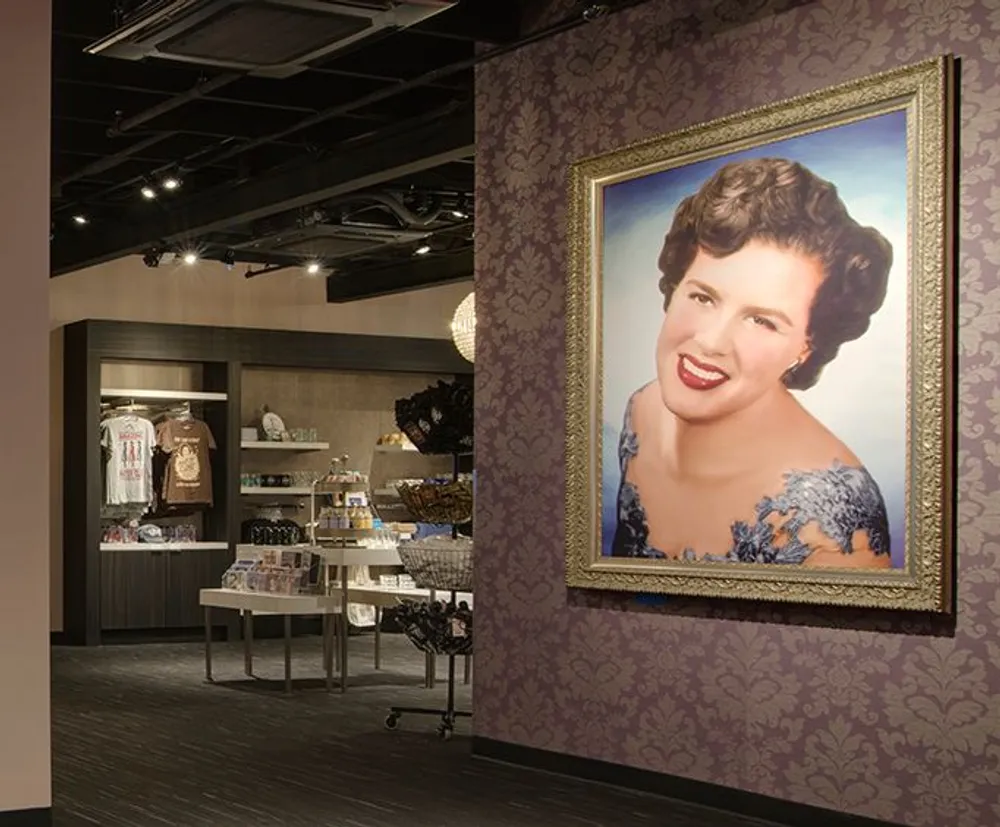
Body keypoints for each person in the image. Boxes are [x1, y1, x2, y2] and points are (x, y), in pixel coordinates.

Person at [611, 157, 893, 568]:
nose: (711, 341)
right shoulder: (641, 411)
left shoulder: (836, 520)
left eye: (761, 321)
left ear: (807, 346)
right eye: (703, 297)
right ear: (674, 289)